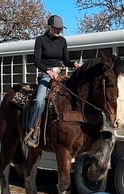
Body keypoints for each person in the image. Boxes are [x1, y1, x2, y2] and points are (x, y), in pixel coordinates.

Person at [24, 15, 79, 147]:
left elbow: (65, 61)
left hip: (61, 73)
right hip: (46, 74)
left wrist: (74, 64)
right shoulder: (40, 40)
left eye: (60, 29)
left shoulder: (62, 41)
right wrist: (48, 71)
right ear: (50, 27)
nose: (59, 31)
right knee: (39, 100)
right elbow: (36, 61)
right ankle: (32, 129)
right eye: (57, 28)